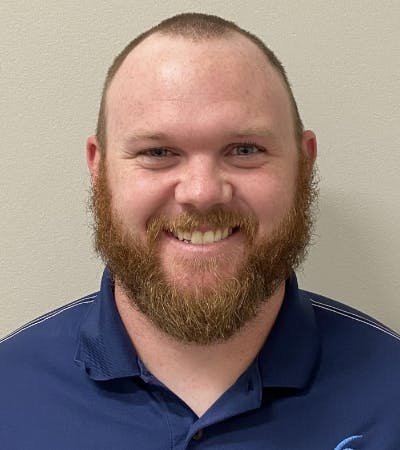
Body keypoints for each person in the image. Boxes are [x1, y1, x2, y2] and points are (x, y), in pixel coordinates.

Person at [1, 13, 399, 449]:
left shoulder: (390, 392)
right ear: (99, 167)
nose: (202, 193)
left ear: (304, 163)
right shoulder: (10, 394)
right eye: (158, 152)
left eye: (244, 149)